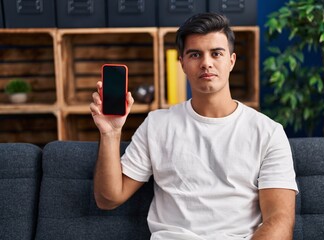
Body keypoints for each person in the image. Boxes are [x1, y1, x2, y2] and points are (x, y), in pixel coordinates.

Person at [90, 12, 298, 240]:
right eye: (195, 54)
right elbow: (107, 199)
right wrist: (110, 133)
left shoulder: (268, 132)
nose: (206, 63)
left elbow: (279, 220)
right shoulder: (157, 124)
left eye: (216, 53)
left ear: (231, 61)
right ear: (182, 64)